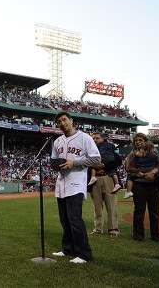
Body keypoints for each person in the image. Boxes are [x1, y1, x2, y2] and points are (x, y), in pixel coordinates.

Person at [51, 111, 100, 264]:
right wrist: (56, 166)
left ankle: (84, 254)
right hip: (61, 183)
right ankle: (68, 249)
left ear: (71, 121)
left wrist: (75, 162)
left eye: (64, 120)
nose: (62, 123)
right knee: (65, 219)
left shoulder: (84, 137)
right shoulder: (57, 141)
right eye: (59, 122)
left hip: (76, 182)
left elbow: (96, 159)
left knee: (74, 219)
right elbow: (54, 160)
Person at [125, 133, 159, 243]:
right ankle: (138, 236)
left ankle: (156, 236)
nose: (138, 142)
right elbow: (129, 167)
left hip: (153, 183)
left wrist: (152, 172)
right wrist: (138, 173)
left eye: (140, 140)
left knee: (154, 211)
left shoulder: (153, 152)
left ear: (145, 141)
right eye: (136, 140)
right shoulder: (132, 154)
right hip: (139, 184)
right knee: (139, 210)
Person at [88, 132, 120, 237]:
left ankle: (113, 229)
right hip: (95, 178)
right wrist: (93, 165)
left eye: (97, 138)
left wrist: (104, 166)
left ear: (102, 139)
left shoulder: (108, 148)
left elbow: (118, 161)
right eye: (93, 138)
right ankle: (98, 228)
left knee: (111, 205)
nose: (95, 140)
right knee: (97, 206)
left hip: (108, 177)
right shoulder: (90, 149)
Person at [124, 141, 159, 205]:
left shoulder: (137, 155)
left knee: (130, 177)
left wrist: (134, 169)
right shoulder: (154, 155)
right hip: (152, 174)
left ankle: (128, 191)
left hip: (140, 173)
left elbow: (131, 164)